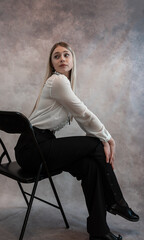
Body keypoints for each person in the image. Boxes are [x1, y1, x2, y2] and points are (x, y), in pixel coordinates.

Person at [15, 42, 139, 240]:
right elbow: (83, 113)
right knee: (96, 145)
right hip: (33, 149)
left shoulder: (64, 85)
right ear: (52, 63)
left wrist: (102, 137)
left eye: (66, 55)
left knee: (90, 166)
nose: (62, 59)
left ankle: (99, 232)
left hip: (39, 147)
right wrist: (107, 138)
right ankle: (117, 201)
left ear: (73, 60)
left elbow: (81, 118)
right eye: (57, 56)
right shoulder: (57, 82)